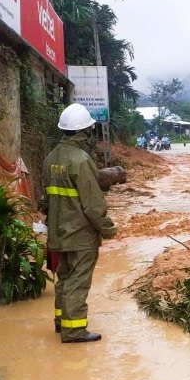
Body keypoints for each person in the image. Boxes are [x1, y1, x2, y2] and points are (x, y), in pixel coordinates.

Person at [41, 103, 117, 343]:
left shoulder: (51, 157)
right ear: (85, 131)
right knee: (78, 280)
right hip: (80, 235)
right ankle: (73, 329)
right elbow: (93, 205)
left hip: (58, 232)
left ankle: (60, 322)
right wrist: (108, 229)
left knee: (64, 277)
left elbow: (46, 200)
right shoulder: (81, 160)